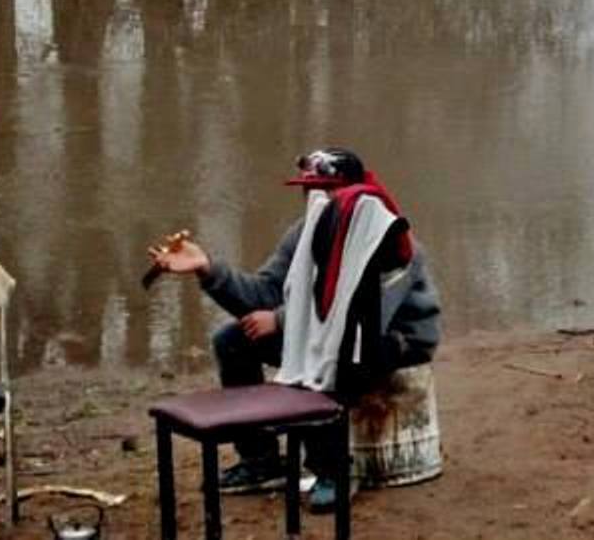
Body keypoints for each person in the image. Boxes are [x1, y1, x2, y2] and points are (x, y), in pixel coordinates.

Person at [148, 148, 441, 512]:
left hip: (394, 339)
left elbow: (359, 317)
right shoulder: (307, 232)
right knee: (233, 340)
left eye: (325, 190)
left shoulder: (386, 235)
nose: (314, 198)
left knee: (325, 351)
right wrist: (208, 269)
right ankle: (261, 460)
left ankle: (335, 469)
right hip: (329, 331)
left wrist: (284, 321)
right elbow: (264, 294)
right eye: (310, 190)